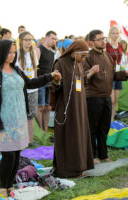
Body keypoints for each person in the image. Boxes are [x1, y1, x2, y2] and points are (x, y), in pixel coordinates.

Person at [0, 39, 61, 197]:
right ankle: (3, 189)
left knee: (17, 156)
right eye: (9, 52)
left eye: (13, 52)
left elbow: (30, 83)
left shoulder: (16, 69)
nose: (12, 55)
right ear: (1, 52)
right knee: (8, 156)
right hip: (4, 120)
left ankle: (10, 187)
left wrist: (49, 76)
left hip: (19, 119)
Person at [50, 41, 98, 178]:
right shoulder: (60, 63)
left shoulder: (79, 63)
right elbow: (53, 86)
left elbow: (79, 80)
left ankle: (80, 167)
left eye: (85, 57)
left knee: (80, 135)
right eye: (82, 56)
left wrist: (89, 74)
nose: (83, 59)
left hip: (79, 105)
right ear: (74, 51)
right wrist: (57, 80)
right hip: (66, 106)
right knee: (69, 136)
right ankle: (67, 170)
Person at [83, 29, 128, 164]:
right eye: (100, 39)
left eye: (104, 38)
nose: (103, 41)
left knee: (104, 127)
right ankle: (93, 155)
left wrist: (125, 74)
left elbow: (113, 74)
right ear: (92, 42)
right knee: (93, 128)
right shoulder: (88, 56)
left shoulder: (107, 56)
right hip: (93, 97)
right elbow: (83, 76)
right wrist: (90, 73)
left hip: (106, 97)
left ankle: (103, 154)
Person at [16, 31, 40, 146]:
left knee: (31, 115)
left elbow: (35, 70)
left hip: (33, 89)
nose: (28, 42)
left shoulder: (33, 53)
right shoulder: (16, 54)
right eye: (26, 39)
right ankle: (21, 140)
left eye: (30, 39)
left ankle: (30, 141)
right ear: (21, 41)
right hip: (21, 89)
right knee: (21, 115)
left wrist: (35, 83)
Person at [36, 31, 57, 132]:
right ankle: (40, 129)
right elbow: (35, 67)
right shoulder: (39, 49)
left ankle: (45, 129)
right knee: (40, 107)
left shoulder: (52, 52)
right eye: (52, 38)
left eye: (55, 39)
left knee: (48, 107)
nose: (54, 41)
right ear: (46, 38)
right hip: (40, 81)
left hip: (49, 82)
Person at [106, 26, 123, 122]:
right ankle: (107, 119)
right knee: (111, 99)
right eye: (113, 33)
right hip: (109, 73)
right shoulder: (107, 45)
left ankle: (111, 120)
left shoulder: (120, 45)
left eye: (117, 33)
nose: (115, 35)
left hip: (118, 73)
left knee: (116, 100)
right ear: (110, 34)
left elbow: (120, 59)